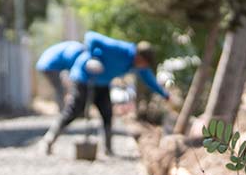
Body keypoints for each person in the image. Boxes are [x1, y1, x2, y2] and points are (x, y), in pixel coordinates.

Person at [42, 31, 171, 156]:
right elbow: (91, 37)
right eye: (145, 63)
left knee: (107, 114)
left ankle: (108, 149)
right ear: (139, 57)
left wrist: (165, 95)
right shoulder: (120, 49)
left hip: (103, 84)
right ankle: (49, 139)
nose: (144, 67)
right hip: (84, 77)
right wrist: (92, 57)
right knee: (74, 111)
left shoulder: (135, 65)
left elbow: (149, 79)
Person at [35, 40, 85, 110]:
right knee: (60, 88)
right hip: (50, 66)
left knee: (60, 87)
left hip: (46, 64)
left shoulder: (75, 46)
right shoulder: (77, 49)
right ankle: (64, 110)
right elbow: (71, 67)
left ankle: (65, 109)